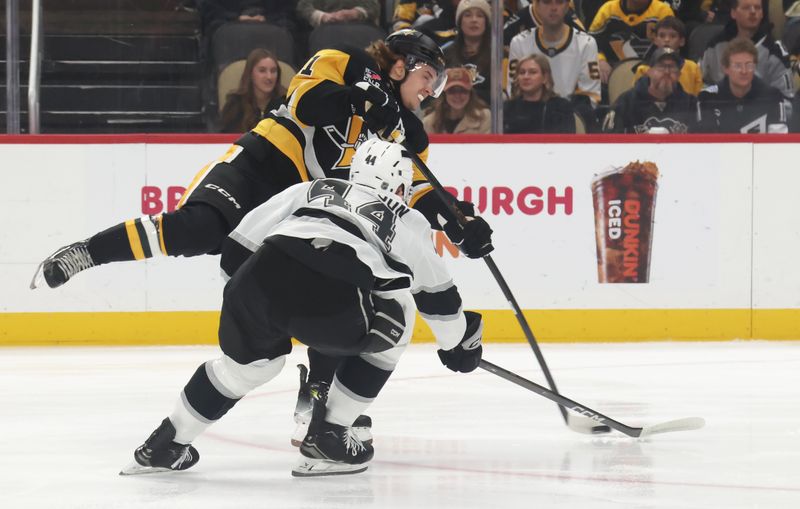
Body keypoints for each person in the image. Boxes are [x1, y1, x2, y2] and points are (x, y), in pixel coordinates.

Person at [31, 29, 494, 443]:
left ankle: (317, 398)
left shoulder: (409, 132)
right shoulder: (347, 59)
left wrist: (457, 219)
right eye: (428, 76)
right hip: (264, 165)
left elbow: (411, 187)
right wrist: (364, 97)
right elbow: (307, 104)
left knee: (337, 279)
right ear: (400, 65)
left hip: (311, 207)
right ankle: (87, 253)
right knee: (196, 229)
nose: (431, 90)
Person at [119, 139, 485, 478]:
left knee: (245, 369)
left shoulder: (313, 188)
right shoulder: (408, 219)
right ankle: (330, 435)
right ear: (402, 187)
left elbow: (239, 245)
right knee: (399, 307)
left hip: (255, 282)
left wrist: (251, 301)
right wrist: (458, 344)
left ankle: (165, 444)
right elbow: (438, 300)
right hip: (332, 298)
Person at [507, 0, 600, 121]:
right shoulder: (519, 43)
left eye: (559, 2)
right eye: (547, 2)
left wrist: (562, 117)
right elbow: (514, 92)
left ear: (567, 6)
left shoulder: (586, 44)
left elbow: (591, 97)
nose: (553, 8)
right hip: (528, 121)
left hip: (571, 122)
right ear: (536, 6)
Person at [699, 0, 794, 99]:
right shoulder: (714, 46)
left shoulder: (775, 51)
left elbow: (786, 97)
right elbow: (700, 83)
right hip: (720, 106)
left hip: (762, 107)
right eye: (746, 8)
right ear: (733, 13)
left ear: (762, 13)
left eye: (757, 8)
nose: (753, 12)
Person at [698, 38, 789, 132]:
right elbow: (704, 139)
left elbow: (778, 139)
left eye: (749, 65)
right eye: (738, 66)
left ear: (755, 66)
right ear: (725, 68)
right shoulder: (707, 97)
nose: (744, 71)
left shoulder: (773, 97)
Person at [603, 47, 698, 133]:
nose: (667, 72)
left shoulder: (690, 104)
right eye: (661, 66)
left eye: (672, 67)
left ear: (679, 75)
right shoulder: (626, 102)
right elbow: (609, 140)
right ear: (649, 72)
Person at [589, 0, 675, 84]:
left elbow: (670, 49)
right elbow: (590, 43)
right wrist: (600, 60)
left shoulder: (662, 11)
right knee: (591, 68)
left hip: (650, 73)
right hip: (610, 70)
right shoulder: (608, 9)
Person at [503, 54, 576, 133]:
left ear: (545, 78)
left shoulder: (561, 108)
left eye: (532, 72)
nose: (526, 77)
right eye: (522, 72)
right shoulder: (507, 108)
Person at [219, 48, 287, 133]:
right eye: (262, 71)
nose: (269, 77)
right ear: (250, 73)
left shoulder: (287, 103)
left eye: (273, 71)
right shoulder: (235, 105)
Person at [633, 16, 704, 96]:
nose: (666, 40)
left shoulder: (692, 68)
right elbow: (637, 98)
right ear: (655, 40)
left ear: (682, 41)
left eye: (673, 36)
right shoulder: (643, 69)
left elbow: (697, 98)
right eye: (662, 36)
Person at [443, 0, 493, 103]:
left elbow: (502, 95)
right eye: (467, 15)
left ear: (486, 22)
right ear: (460, 22)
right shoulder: (445, 54)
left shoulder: (498, 55)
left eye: (479, 15)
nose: (474, 20)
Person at [422, 67, 491, 134]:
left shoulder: (484, 117)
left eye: (463, 91)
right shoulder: (429, 122)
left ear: (470, 93)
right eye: (452, 91)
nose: (457, 96)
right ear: (444, 95)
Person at [296, 0, 381, 27]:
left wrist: (356, 13)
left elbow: (374, 7)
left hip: (360, 26)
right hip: (327, 28)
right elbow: (302, 7)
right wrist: (323, 16)